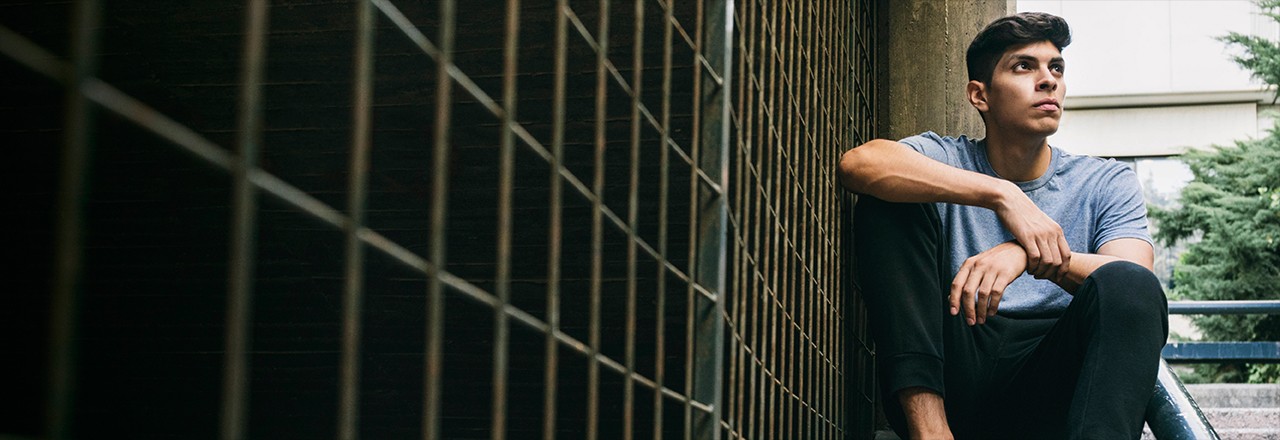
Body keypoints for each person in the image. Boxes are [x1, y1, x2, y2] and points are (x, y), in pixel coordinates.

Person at [838, 12, 1168, 440]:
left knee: (1128, 284)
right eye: (1024, 66)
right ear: (980, 95)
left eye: (1056, 68)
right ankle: (930, 432)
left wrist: (1025, 254)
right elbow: (858, 165)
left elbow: (1133, 280)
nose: (1048, 80)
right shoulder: (946, 158)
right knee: (888, 201)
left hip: (1050, 385)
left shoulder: (1105, 181)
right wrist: (1003, 195)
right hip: (954, 368)